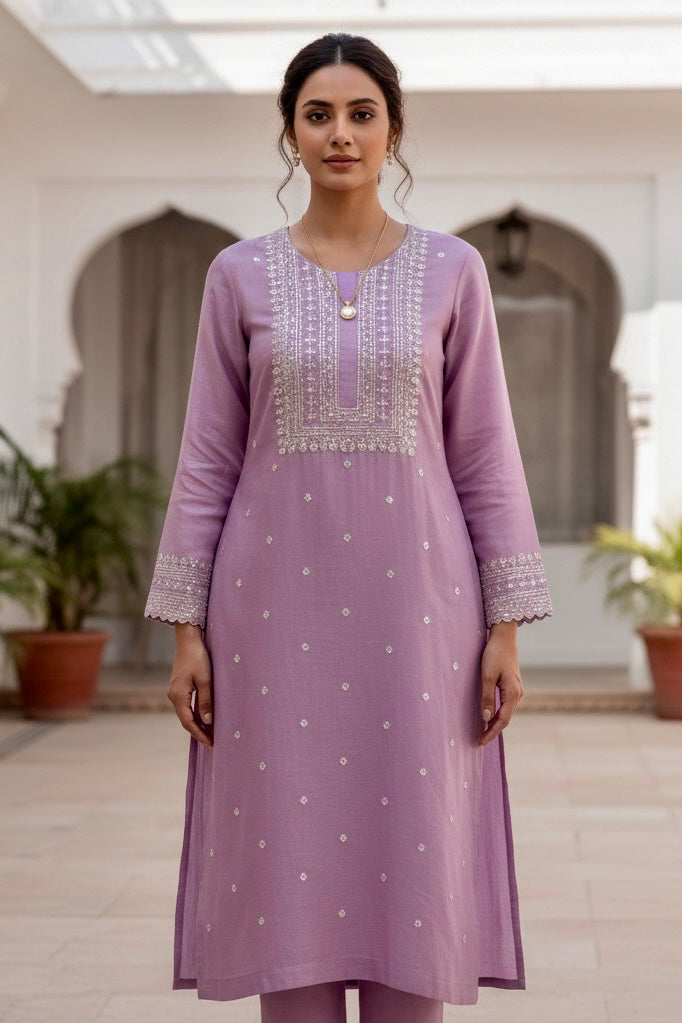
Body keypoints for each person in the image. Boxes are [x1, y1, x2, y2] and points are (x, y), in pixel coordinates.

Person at [143, 31, 554, 1023]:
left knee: (414, 856)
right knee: (288, 855)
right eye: (318, 114)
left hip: (421, 617)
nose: (340, 134)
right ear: (290, 133)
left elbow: (485, 455)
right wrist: (187, 631)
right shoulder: (237, 277)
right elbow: (206, 458)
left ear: (393, 130)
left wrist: (503, 631)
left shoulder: (453, 272)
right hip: (271, 617)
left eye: (360, 113)